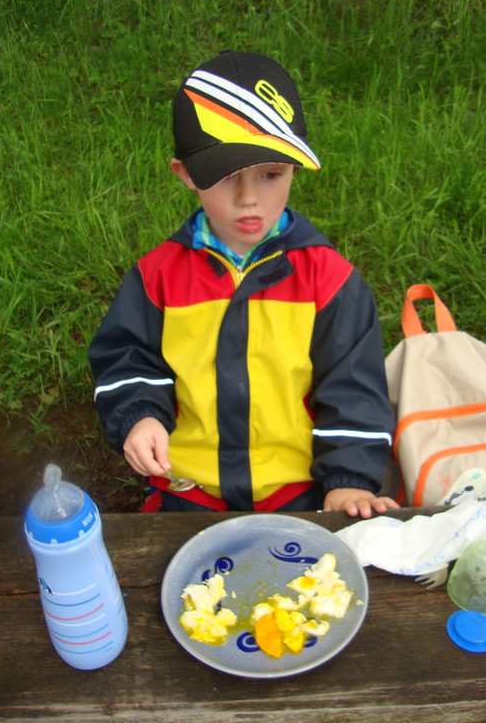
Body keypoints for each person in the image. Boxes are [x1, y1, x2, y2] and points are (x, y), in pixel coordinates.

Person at [88, 50, 398, 518]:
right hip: (189, 491)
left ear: (294, 168)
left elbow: (354, 390)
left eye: (271, 174)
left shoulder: (331, 281)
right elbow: (126, 359)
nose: (249, 198)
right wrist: (139, 417)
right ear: (186, 174)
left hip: (299, 492)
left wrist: (348, 481)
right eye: (227, 177)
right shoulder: (156, 278)